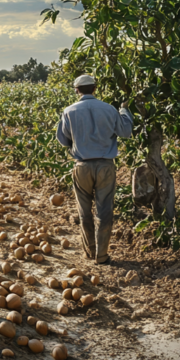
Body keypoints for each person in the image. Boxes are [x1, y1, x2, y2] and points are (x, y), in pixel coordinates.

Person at [55, 74, 133, 265]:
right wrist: (124, 111)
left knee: (84, 211)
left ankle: (89, 251)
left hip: (82, 167)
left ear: (77, 90)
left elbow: (63, 140)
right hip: (105, 166)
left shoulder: (69, 111)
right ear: (95, 89)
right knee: (104, 210)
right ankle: (102, 255)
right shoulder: (109, 109)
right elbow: (126, 132)